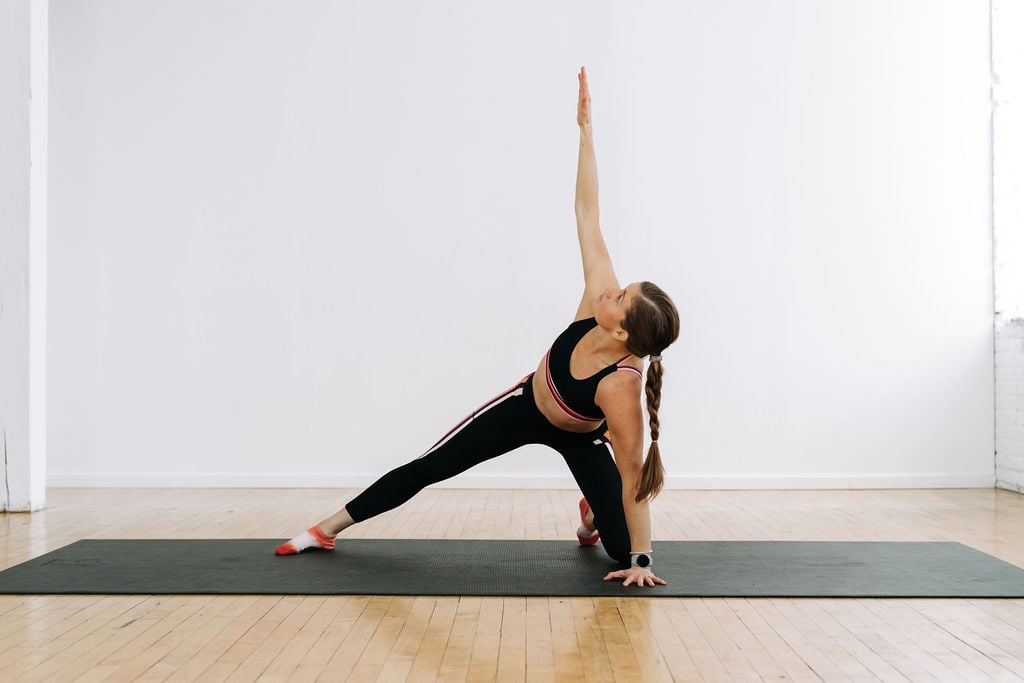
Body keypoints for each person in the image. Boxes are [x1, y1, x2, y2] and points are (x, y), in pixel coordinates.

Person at [276, 67, 680, 588]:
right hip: (525, 407)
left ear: (624, 333)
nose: (611, 289)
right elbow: (587, 212)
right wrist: (585, 133)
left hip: (582, 440)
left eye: (621, 298)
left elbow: (633, 475)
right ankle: (328, 527)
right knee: (430, 465)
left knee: (620, 552)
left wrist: (642, 561)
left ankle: (591, 515)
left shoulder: (621, 386)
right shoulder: (597, 295)